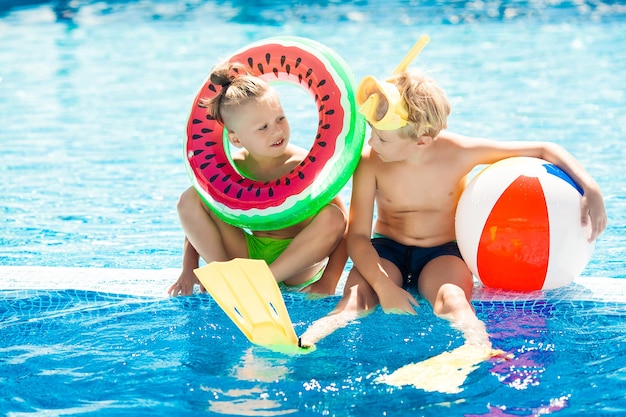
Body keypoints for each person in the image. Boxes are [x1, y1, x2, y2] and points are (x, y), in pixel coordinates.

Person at [298, 66, 607, 349]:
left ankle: (478, 345)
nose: (371, 142)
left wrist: (590, 187)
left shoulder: (458, 153)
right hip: (386, 250)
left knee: (454, 299)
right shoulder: (370, 162)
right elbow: (358, 236)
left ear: (422, 140)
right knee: (356, 298)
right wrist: (383, 286)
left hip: (442, 251)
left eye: (381, 137)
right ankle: (310, 338)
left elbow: (543, 149)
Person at [168, 62, 348, 297]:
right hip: (249, 251)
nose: (277, 131)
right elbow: (201, 213)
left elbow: (343, 227)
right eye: (263, 127)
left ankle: (264, 281)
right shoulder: (233, 169)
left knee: (333, 216)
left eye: (280, 118)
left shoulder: (304, 165)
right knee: (191, 198)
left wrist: (330, 280)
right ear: (236, 139)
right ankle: (227, 276)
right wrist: (189, 266)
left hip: (298, 262)